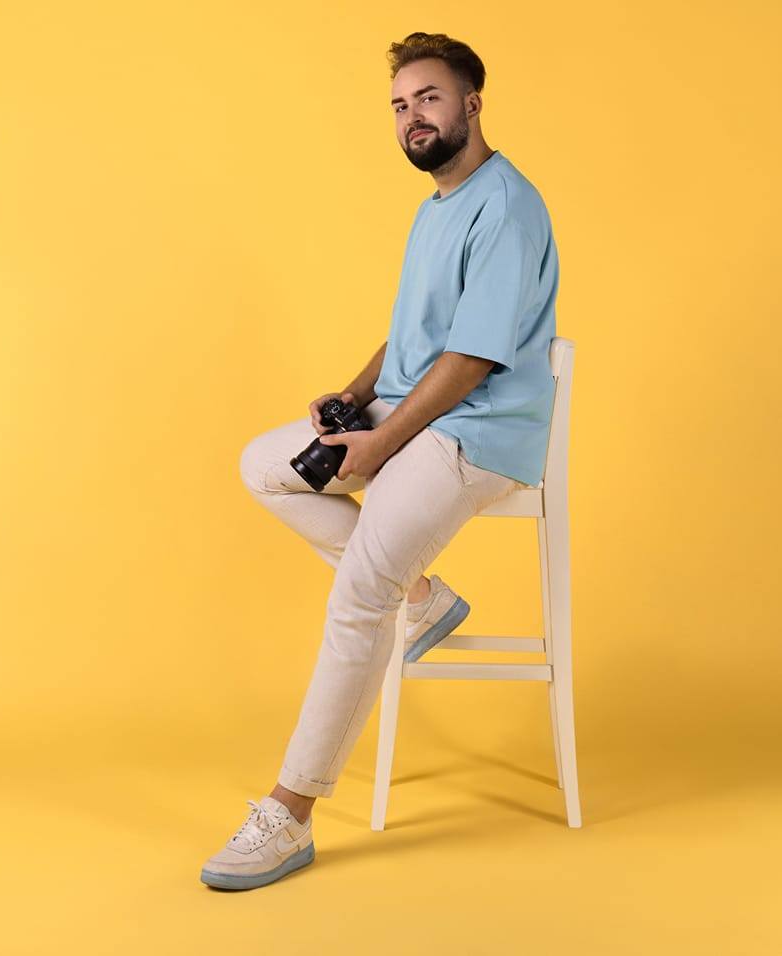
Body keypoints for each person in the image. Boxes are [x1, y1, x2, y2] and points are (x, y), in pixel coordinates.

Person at [201, 31, 560, 890]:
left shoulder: (506, 207)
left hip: (479, 434)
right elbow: (413, 337)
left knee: (363, 587)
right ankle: (425, 597)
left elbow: (471, 362)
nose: (412, 117)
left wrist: (380, 443)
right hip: (410, 415)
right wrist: (358, 397)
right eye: (400, 105)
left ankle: (288, 816)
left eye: (429, 98)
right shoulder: (437, 206)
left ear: (473, 102)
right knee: (263, 464)